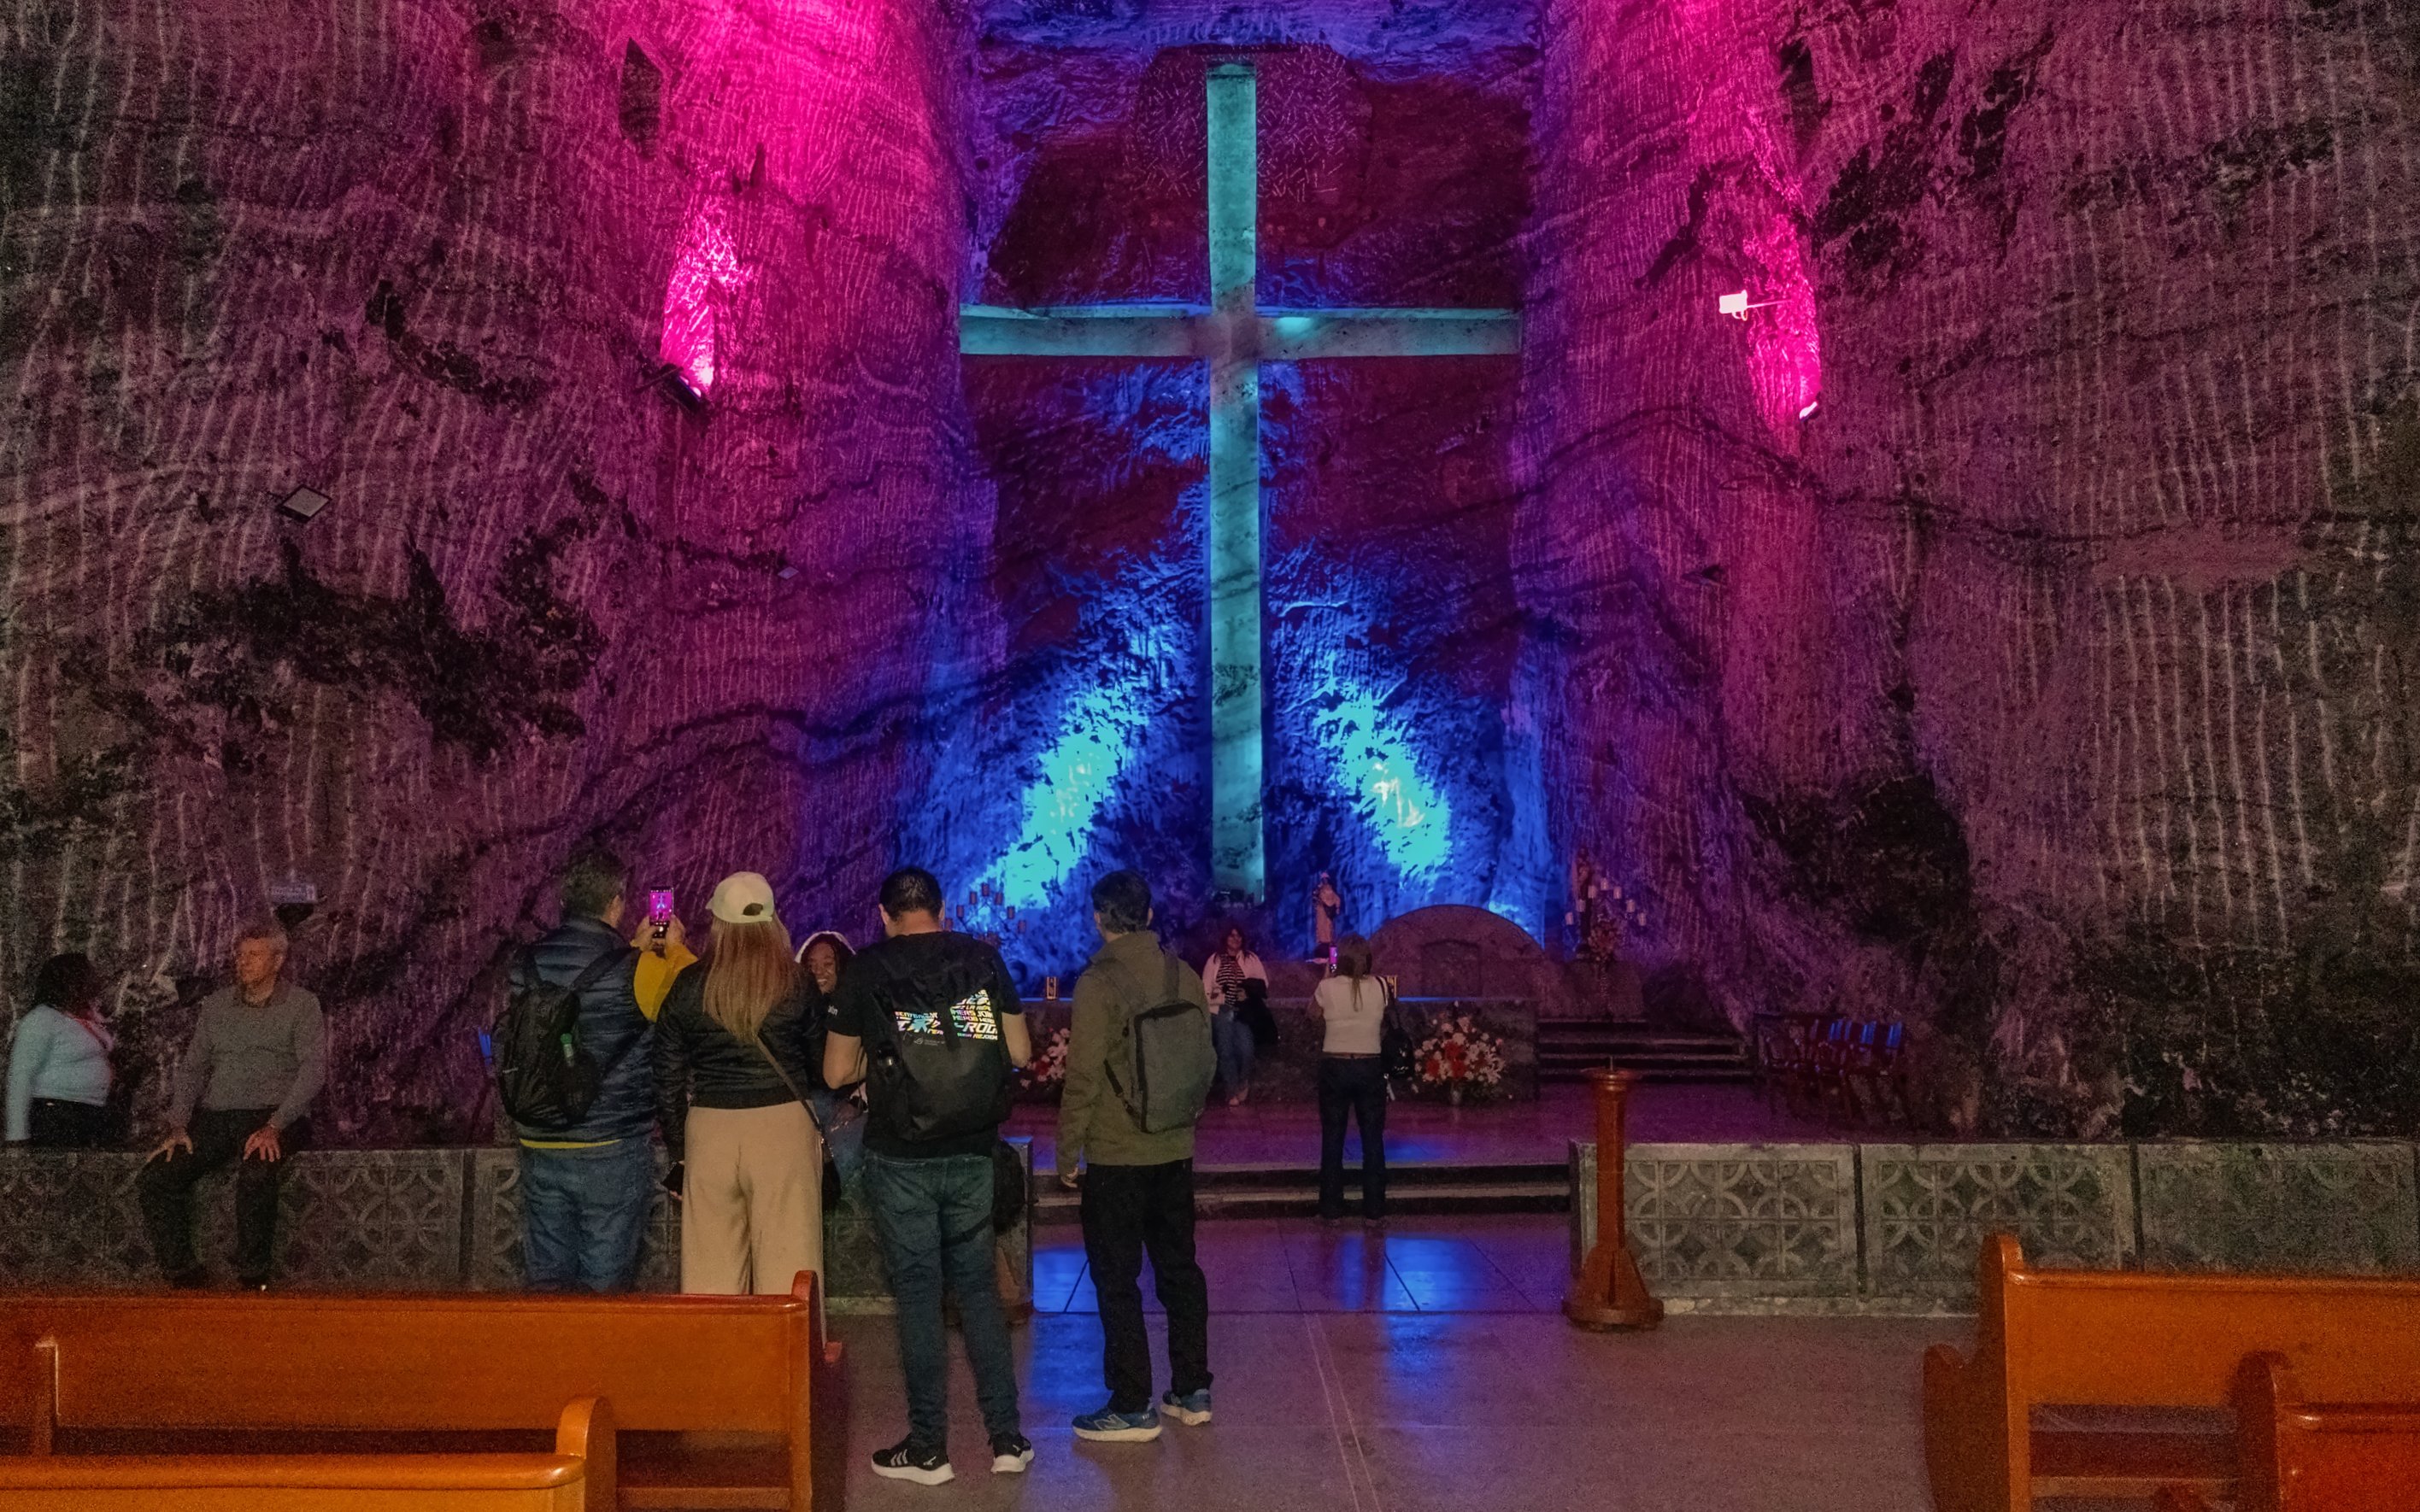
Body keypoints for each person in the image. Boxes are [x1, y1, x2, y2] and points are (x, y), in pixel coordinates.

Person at [825, 866, 1033, 1486]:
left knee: (918, 1298)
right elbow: (1019, 1053)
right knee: (977, 1294)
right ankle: (1006, 1440)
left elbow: (837, 1072)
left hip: (901, 1156)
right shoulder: (981, 960)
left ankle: (927, 1450)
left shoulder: (868, 968)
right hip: (972, 1151)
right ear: (941, 908)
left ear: (884, 913)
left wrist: (885, 1048)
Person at [1061, 870, 1216, 1442]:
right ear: (1149, 916)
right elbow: (1208, 1059)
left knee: (1117, 1279)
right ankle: (1192, 1389)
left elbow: (1082, 1077)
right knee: (1180, 1270)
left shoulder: (1099, 983)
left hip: (1117, 1156)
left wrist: (1067, 1150)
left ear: (1098, 918)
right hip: (1175, 1149)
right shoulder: (1186, 974)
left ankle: (1132, 1404)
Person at [508, 849, 694, 1292]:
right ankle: (593, 1361)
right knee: (604, 1282)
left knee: (547, 1279)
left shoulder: (524, 963)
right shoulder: (639, 969)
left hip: (539, 1137)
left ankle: (551, 1360)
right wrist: (675, 950)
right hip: (611, 1146)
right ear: (616, 901)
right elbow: (690, 1004)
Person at [655, 871, 826, 1294]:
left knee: (710, 1280)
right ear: (774, 922)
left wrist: (679, 1151)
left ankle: (715, 1359)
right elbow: (821, 1064)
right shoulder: (797, 982)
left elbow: (666, 1077)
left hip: (710, 1130)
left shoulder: (688, 985)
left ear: (717, 922)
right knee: (791, 1276)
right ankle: (783, 1359)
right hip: (783, 1127)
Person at [139, 918, 326, 1288]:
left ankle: (253, 1278)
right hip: (219, 1115)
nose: (244, 963)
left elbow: (313, 1070)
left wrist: (276, 1125)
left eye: (254, 956)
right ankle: (184, 1274)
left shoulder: (302, 1005)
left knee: (258, 1170)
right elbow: (193, 1067)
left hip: (275, 1114)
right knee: (158, 1176)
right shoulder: (217, 1006)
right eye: (240, 956)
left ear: (277, 961)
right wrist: (178, 1124)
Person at [1313, 934, 1389, 1227]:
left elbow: (1312, 1016)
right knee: (1372, 1138)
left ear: (1339, 958)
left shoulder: (1327, 987)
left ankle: (1331, 1208)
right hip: (1370, 1065)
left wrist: (1326, 977)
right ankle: (1374, 1209)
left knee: (1333, 1136)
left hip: (1335, 1063)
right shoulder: (1381, 986)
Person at [6, 953, 115, 1147]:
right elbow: (20, 1076)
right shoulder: (42, 1019)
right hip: (57, 1114)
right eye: (87, 975)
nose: (95, 980)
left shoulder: (81, 1018)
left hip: (88, 1111)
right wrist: (17, 1136)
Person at [1198, 925, 1268, 1107]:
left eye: (1239, 936)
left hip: (1243, 1011)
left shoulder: (1250, 959)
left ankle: (1243, 1081)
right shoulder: (1214, 960)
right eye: (1232, 936)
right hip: (1221, 1009)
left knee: (1246, 1049)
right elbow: (1204, 988)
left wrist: (1248, 993)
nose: (1236, 939)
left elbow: (1263, 984)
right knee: (1225, 1050)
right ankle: (1231, 1089)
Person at [1311, 872, 1342, 964]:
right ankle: (1331, 960)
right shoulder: (1327, 890)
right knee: (1326, 933)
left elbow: (1318, 897)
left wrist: (1335, 908)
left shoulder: (1325, 890)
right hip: (1324, 915)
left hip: (1326, 915)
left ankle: (1331, 960)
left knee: (1327, 934)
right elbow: (1337, 900)